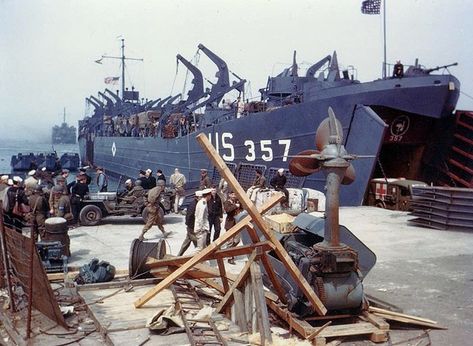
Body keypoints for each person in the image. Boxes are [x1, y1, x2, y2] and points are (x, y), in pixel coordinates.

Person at [177, 191, 201, 256]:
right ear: (197, 197)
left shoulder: (197, 204)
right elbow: (189, 216)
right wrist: (190, 226)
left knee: (187, 242)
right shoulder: (193, 205)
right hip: (192, 227)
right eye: (201, 197)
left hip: (192, 226)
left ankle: (179, 255)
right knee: (198, 243)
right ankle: (200, 256)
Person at [223, 191, 242, 264]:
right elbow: (228, 210)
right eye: (232, 194)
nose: (234, 196)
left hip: (237, 224)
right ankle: (230, 257)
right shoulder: (227, 202)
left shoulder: (237, 201)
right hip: (230, 224)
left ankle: (229, 251)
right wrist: (235, 206)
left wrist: (239, 203)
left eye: (235, 194)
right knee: (230, 241)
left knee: (237, 240)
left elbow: (242, 207)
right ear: (229, 195)